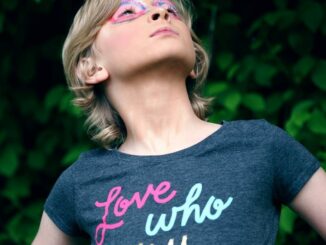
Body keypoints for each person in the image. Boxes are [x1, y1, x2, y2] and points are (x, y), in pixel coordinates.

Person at [32, 0, 326, 244]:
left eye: (170, 9)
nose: (160, 13)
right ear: (91, 67)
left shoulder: (262, 146)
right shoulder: (81, 182)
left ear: (195, 59)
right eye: (128, 12)